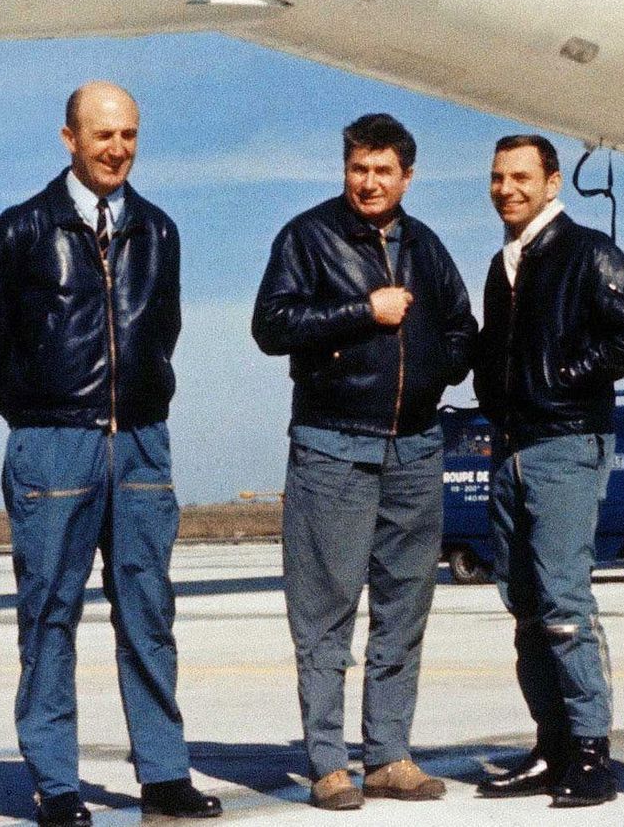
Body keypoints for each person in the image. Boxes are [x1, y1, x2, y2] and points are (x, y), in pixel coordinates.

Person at [0, 82, 220, 827]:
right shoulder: (17, 233)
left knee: (148, 612)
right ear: (69, 138)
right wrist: (38, 410)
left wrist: (134, 406)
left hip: (138, 444)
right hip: (53, 448)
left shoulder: (158, 232)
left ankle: (164, 775)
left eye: (129, 135)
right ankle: (57, 783)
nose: (117, 149)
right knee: (49, 613)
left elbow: (159, 331)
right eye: (103, 135)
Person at [252, 113, 479, 811]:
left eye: (383, 171)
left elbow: (460, 328)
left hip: (414, 448)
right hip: (333, 446)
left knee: (405, 607)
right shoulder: (307, 238)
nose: (369, 182)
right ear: (345, 169)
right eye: (358, 169)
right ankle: (328, 763)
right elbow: (272, 326)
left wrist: (435, 374)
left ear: (407, 176)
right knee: (325, 613)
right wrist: (362, 312)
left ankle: (388, 755)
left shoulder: (427, 246)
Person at [471, 135, 624, 806]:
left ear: (553, 183)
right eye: (498, 178)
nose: (507, 189)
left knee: (562, 599)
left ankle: (590, 752)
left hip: (566, 442)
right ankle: (551, 745)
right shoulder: (506, 265)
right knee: (523, 602)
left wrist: (567, 374)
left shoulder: (587, 253)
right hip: (513, 446)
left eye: (521, 177)